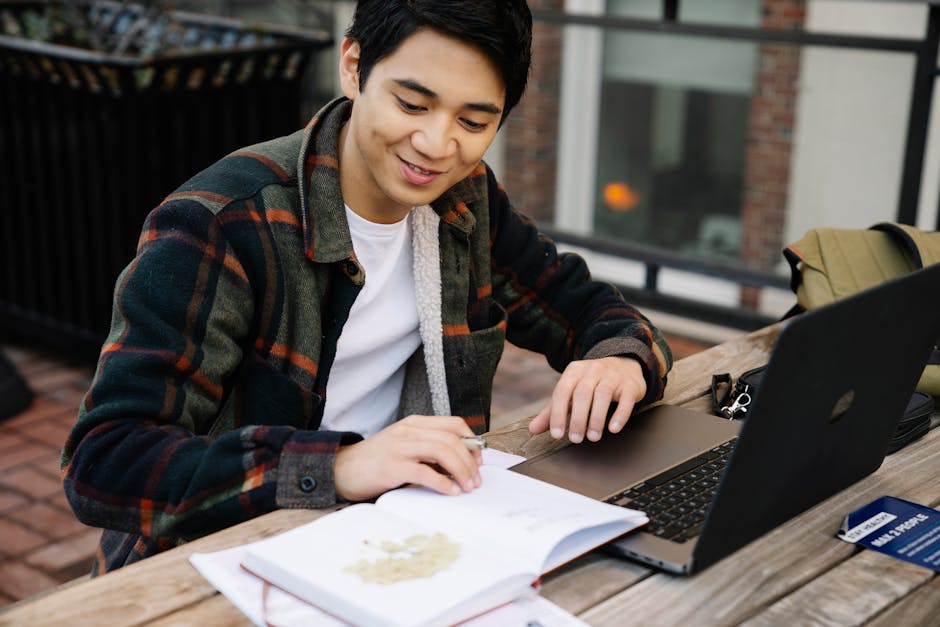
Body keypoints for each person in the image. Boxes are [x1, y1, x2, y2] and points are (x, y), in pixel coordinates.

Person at [62, 0, 673, 575]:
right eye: (412, 105)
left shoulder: (465, 198)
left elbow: (587, 309)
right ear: (353, 67)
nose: (437, 145)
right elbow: (106, 461)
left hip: (404, 547)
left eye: (473, 120)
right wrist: (341, 465)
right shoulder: (221, 222)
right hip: (224, 566)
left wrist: (619, 360)